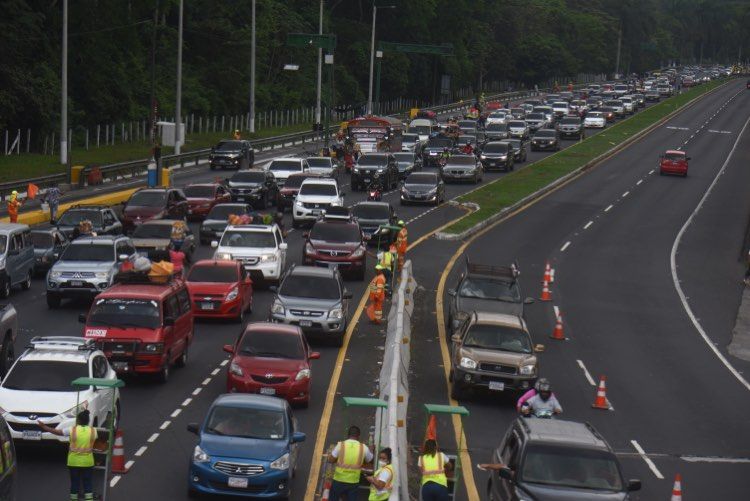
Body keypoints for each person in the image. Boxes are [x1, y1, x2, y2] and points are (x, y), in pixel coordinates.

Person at [37, 410, 98, 501]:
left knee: (74, 484)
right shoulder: (93, 431)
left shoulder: (72, 430)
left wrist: (44, 427)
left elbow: (57, 432)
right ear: (88, 421)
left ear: (78, 420)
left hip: (73, 462)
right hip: (88, 462)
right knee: (87, 484)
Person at [328, 425, 373, 501]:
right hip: (353, 483)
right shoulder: (363, 447)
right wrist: (370, 450)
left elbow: (331, 460)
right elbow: (370, 461)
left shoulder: (340, 445)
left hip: (338, 481)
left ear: (348, 435)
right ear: (358, 436)